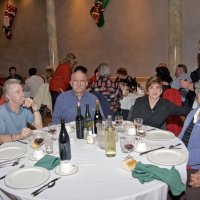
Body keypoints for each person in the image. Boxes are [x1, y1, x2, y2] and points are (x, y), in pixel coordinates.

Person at [0, 79, 42, 144]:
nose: (23, 94)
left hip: (23, 145)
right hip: (8, 149)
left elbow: (39, 127)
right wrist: (18, 136)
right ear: (8, 96)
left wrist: (34, 106)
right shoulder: (1, 112)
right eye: (18, 92)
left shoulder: (24, 108)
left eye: (22, 91)